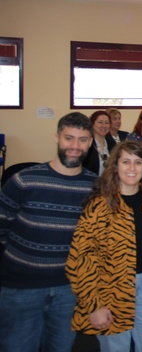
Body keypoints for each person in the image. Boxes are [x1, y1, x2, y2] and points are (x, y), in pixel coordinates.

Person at [66, 141, 142, 350]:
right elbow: (80, 259)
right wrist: (94, 305)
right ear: (115, 166)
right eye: (126, 162)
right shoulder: (99, 206)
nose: (132, 168)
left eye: (138, 162)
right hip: (110, 288)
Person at [0, 112, 96, 352]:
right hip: (21, 289)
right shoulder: (24, 181)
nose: (75, 146)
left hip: (68, 290)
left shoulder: (96, 187)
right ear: (57, 138)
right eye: (69, 138)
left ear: (91, 142)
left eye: (82, 140)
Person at [83, 110, 116, 175]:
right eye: (100, 122)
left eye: (107, 123)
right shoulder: (87, 144)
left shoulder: (113, 144)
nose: (104, 126)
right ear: (92, 124)